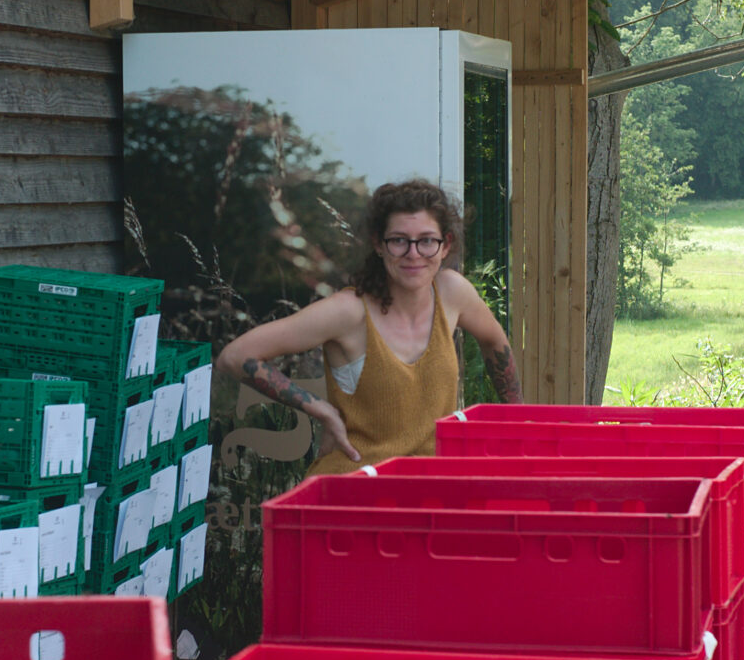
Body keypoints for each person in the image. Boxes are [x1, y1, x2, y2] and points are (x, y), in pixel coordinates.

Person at [215, 178, 522, 477]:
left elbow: (495, 342)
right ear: (379, 244)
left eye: (427, 240)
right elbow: (236, 356)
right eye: (399, 240)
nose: (413, 254)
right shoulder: (349, 311)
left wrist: (517, 425)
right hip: (353, 493)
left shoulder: (453, 292)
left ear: (445, 246)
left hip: (428, 491)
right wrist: (320, 409)